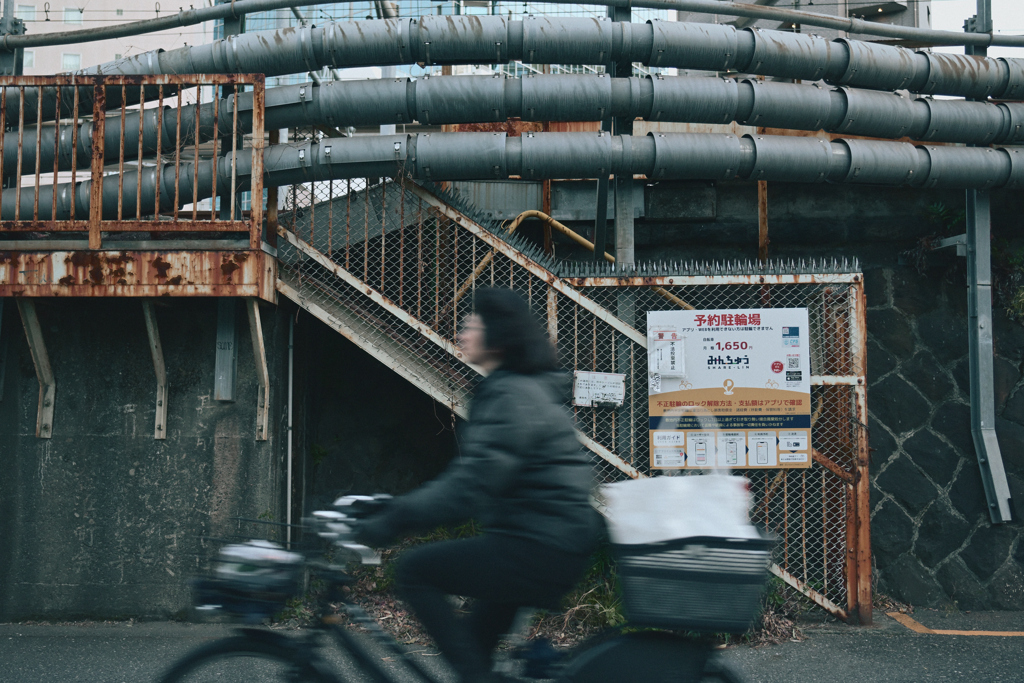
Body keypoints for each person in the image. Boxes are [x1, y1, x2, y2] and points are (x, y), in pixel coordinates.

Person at [354, 287, 600, 683]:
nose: (462, 334)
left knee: (415, 570)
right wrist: (395, 507)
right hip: (543, 542)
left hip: (537, 546)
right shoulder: (521, 388)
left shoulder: (513, 394)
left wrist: (396, 517)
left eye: (471, 325)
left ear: (497, 335)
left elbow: (472, 486)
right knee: (473, 650)